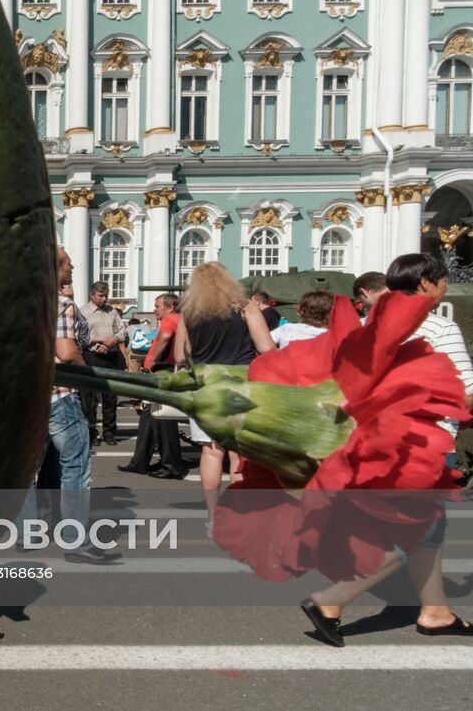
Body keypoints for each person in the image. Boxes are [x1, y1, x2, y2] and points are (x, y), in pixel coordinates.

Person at [302, 252, 473, 645]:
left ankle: (435, 611)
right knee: (418, 529)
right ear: (427, 282)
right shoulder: (438, 326)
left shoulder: (367, 326)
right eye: (442, 279)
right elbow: (465, 392)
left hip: (375, 441)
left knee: (429, 529)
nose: (445, 286)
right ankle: (329, 600)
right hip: (425, 442)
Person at [33, 248, 120, 565]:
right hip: (61, 394)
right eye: (68, 263)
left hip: (35, 395)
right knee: (76, 469)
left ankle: (28, 531)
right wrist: (88, 375)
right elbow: (67, 352)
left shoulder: (29, 303)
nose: (72, 266)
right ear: (56, 270)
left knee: (33, 467)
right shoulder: (63, 304)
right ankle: (76, 540)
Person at [173, 263, 274, 524]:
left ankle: (212, 516)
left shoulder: (190, 312)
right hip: (241, 383)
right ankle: (240, 515)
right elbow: (267, 348)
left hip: (206, 386)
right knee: (238, 453)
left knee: (211, 451)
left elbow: (178, 356)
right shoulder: (245, 307)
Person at [120, 293, 184, 479]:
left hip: (162, 370)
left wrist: (151, 360)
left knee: (163, 419)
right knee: (148, 416)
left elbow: (164, 338)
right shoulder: (177, 318)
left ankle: (172, 465)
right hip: (164, 369)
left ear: (170, 307)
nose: (155, 309)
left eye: (157, 306)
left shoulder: (171, 319)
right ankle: (139, 462)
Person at [79, 281, 127, 446]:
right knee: (91, 397)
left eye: (106, 295)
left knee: (111, 396)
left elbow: (122, 330)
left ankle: (109, 433)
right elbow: (80, 336)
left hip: (111, 355)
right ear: (92, 295)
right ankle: (91, 432)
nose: (104, 299)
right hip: (92, 355)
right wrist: (100, 340)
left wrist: (112, 341)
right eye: (101, 295)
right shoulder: (83, 312)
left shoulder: (112, 311)